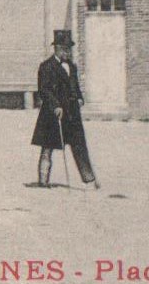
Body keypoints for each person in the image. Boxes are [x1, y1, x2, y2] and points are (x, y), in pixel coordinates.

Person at [32, 29, 99, 188]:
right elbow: (44, 90)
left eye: (69, 49)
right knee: (47, 147)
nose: (68, 52)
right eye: (65, 48)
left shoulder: (72, 66)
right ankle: (43, 180)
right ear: (57, 49)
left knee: (79, 146)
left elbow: (74, 85)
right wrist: (55, 105)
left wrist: (80, 98)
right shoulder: (46, 67)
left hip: (72, 114)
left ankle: (89, 179)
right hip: (53, 114)